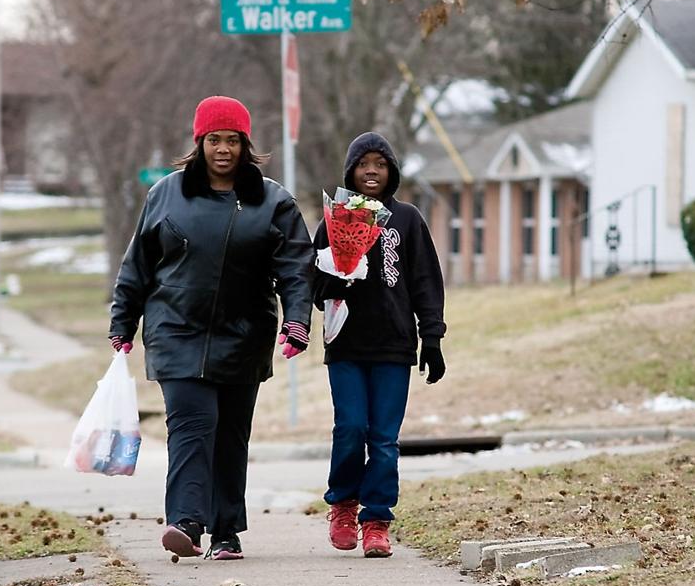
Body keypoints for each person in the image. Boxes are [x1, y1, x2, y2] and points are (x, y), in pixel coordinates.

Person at [108, 95, 313, 561]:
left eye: (233, 140)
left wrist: (298, 320)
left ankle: (226, 530)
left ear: (246, 144)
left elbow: (296, 270)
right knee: (192, 425)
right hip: (175, 331)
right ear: (198, 143)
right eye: (214, 139)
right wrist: (124, 320)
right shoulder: (166, 193)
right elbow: (137, 264)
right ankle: (186, 520)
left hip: (244, 336)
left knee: (230, 434)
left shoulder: (272, 201)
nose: (223, 149)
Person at [312, 132, 447, 558]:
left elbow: (425, 281)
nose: (372, 171)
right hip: (346, 344)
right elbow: (314, 287)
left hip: (394, 345)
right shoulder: (333, 219)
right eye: (363, 163)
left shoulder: (406, 219)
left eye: (381, 164)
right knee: (351, 429)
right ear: (350, 171)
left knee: (384, 439)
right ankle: (344, 503)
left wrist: (433, 337)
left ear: (392, 172)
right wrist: (338, 274)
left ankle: (376, 519)